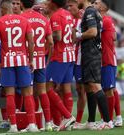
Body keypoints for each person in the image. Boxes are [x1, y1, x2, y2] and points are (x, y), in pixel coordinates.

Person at [0, 0, 38, 133]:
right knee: (28, 93)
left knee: (8, 95)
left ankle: (13, 126)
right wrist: (31, 60)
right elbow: (31, 42)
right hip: (22, 60)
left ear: (2, 10)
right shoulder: (24, 21)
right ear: (12, 7)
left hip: (7, 61)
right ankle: (32, 124)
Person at [76, 0, 112, 130]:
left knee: (95, 86)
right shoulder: (93, 12)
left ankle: (108, 121)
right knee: (89, 86)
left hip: (91, 53)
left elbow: (93, 32)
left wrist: (78, 35)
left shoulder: (90, 11)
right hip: (91, 52)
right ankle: (91, 121)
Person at [20, 0, 53, 131]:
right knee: (42, 92)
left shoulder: (22, 18)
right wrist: (48, 59)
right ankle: (48, 123)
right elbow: (50, 43)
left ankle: (31, 123)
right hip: (41, 59)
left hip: (26, 60)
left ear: (22, 4)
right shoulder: (44, 19)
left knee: (27, 93)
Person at [45, 0, 76, 131]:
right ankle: (67, 123)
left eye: (48, 2)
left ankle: (68, 116)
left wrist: (44, 35)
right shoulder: (69, 14)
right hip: (70, 54)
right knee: (66, 89)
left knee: (47, 88)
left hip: (59, 56)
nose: (47, 4)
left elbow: (57, 36)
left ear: (53, 3)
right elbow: (73, 35)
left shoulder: (56, 16)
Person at [93, 0, 123, 127]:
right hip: (106, 58)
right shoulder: (108, 20)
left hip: (107, 59)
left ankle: (108, 120)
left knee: (108, 90)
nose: (93, 4)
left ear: (103, 7)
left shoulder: (104, 20)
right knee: (110, 89)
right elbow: (115, 36)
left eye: (96, 3)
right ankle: (117, 117)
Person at [67, 0, 86, 129]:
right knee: (61, 89)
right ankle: (64, 118)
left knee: (80, 90)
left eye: (71, 6)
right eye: (67, 6)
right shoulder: (65, 18)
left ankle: (78, 121)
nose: (69, 8)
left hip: (79, 60)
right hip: (66, 59)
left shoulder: (82, 21)